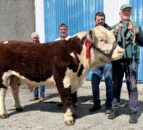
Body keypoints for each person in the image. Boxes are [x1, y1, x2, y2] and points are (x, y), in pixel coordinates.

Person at [108, 4, 143, 124]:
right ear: (120, 13)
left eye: (128, 10)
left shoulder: (137, 25)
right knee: (116, 85)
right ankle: (115, 109)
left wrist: (137, 33)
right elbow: (109, 45)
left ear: (131, 13)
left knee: (132, 87)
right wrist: (115, 32)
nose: (126, 12)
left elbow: (142, 42)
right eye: (124, 10)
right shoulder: (114, 27)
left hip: (132, 60)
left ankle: (133, 113)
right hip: (118, 60)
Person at [89, 12, 113, 114]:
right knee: (94, 84)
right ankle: (96, 104)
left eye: (102, 19)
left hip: (107, 62)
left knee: (109, 84)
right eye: (98, 19)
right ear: (95, 21)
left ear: (104, 20)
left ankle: (108, 106)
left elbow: (114, 44)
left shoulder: (110, 30)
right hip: (96, 63)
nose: (100, 21)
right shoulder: (92, 32)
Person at [55, 23, 78, 107]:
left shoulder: (71, 39)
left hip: (70, 66)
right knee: (61, 85)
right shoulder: (56, 40)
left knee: (72, 84)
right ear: (59, 31)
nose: (63, 31)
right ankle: (63, 101)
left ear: (67, 30)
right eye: (61, 30)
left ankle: (74, 102)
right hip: (60, 67)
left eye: (64, 29)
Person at [30, 32, 45, 102]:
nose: (35, 39)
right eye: (34, 38)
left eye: (36, 38)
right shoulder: (29, 46)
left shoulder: (42, 46)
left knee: (42, 81)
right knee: (35, 81)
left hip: (41, 66)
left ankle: (42, 96)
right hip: (33, 66)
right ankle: (35, 96)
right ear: (32, 39)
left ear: (38, 38)